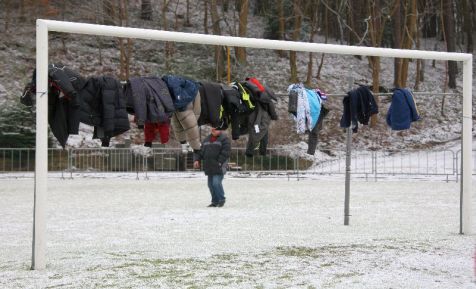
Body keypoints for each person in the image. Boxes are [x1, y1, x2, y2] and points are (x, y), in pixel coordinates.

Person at [193, 127, 231, 207]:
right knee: (210, 184)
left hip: (219, 166)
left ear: (220, 130)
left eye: (216, 129)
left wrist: (220, 162)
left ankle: (221, 199)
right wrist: (197, 160)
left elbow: (226, 152)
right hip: (209, 166)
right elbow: (200, 151)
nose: (214, 129)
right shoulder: (206, 139)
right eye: (213, 128)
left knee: (216, 183)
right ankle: (215, 201)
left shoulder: (225, 139)